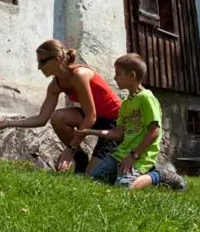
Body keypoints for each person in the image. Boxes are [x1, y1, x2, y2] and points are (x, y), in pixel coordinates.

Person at [0, 39, 122, 173]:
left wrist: (70, 149)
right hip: (95, 117)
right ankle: (81, 159)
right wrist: (8, 123)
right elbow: (41, 119)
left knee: (93, 175)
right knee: (58, 117)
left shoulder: (80, 75)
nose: (39, 67)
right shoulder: (55, 85)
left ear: (57, 60)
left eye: (42, 62)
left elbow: (90, 116)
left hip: (116, 121)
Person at [75, 53, 187, 190]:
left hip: (140, 155)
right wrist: (89, 131)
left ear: (132, 76)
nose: (115, 78)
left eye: (118, 74)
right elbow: (118, 134)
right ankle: (122, 175)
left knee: (124, 187)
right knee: (92, 179)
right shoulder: (126, 104)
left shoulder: (147, 98)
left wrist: (134, 155)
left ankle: (161, 175)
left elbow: (154, 132)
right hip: (121, 154)